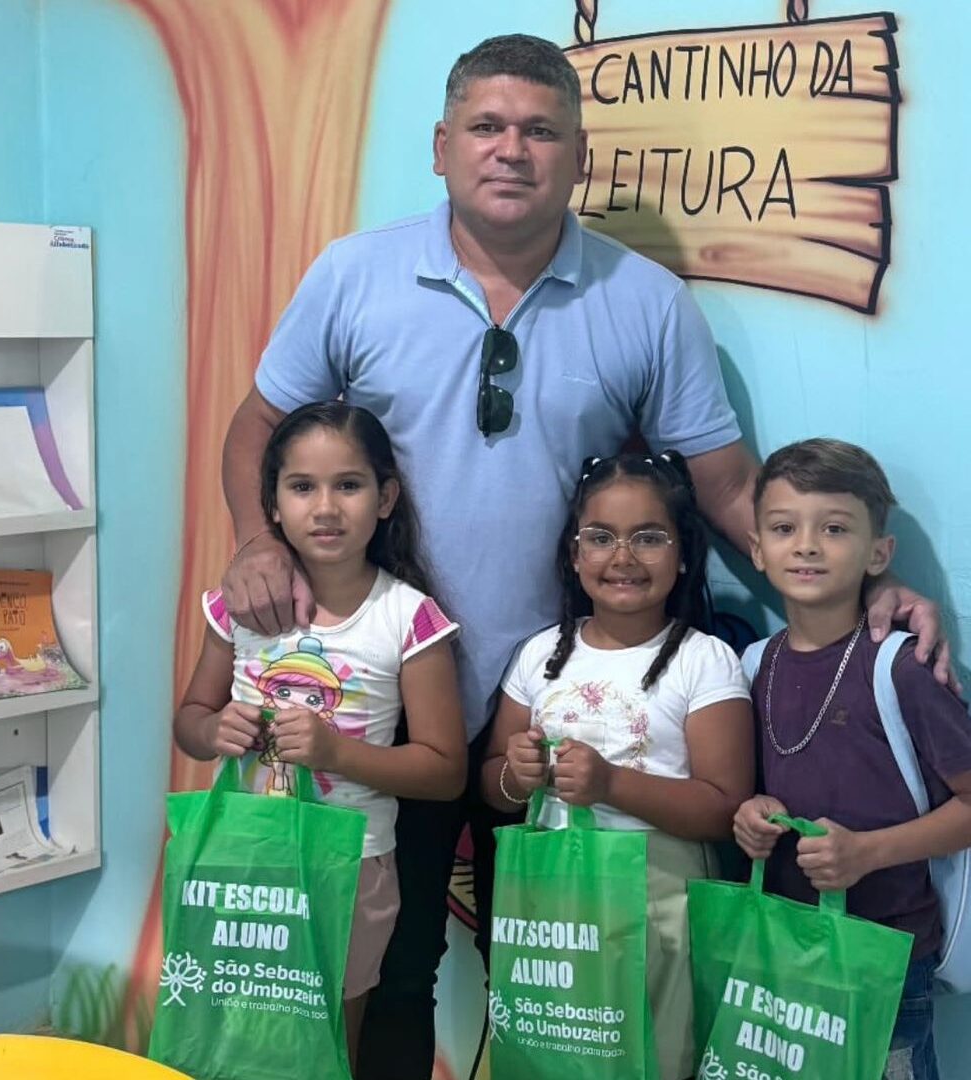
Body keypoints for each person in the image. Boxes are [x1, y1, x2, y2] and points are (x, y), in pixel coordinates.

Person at [218, 33, 948, 1080]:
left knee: (557, 981)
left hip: (560, 712)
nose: (511, 150)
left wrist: (859, 587)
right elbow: (261, 424)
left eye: (540, 130)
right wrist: (253, 537)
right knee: (390, 962)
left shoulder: (645, 301)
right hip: (387, 696)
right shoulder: (352, 276)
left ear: (579, 156)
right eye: (486, 126)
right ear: (441, 146)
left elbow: (724, 488)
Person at [175, 401, 465, 1067]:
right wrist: (215, 728)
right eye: (302, 486)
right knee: (232, 1035)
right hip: (242, 856)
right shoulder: (237, 608)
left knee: (329, 1040)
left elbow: (445, 769)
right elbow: (189, 720)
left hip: (351, 866)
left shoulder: (409, 618)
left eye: (349, 485)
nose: (326, 508)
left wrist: (337, 753)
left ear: (385, 498)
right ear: (272, 505)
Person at [483, 452, 754, 1079]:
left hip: (660, 899)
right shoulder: (540, 655)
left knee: (650, 1056)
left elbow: (723, 808)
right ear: (575, 554)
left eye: (649, 538)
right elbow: (494, 785)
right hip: (552, 901)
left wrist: (610, 784)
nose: (623, 557)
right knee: (555, 1057)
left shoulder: (704, 661)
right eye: (601, 538)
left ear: (683, 554)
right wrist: (515, 775)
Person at [733, 439, 971, 1080]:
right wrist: (751, 815)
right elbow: (756, 787)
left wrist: (867, 852)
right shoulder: (754, 665)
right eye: (784, 528)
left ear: (879, 553)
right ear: (756, 548)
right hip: (783, 947)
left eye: (834, 529)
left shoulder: (902, 667)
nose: (807, 546)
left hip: (884, 957)